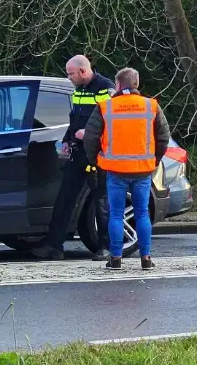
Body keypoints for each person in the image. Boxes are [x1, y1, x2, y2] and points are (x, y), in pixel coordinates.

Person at [83, 67, 170, 271]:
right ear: (136, 84)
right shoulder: (151, 106)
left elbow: (90, 137)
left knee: (115, 214)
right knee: (142, 213)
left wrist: (95, 159)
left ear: (118, 84)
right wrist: (154, 160)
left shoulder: (106, 107)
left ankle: (115, 258)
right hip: (142, 170)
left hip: (115, 170)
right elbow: (163, 137)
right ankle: (146, 257)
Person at [32, 55, 114, 261]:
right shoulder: (80, 89)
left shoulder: (105, 88)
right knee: (65, 198)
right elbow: (74, 118)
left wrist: (88, 134)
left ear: (83, 71)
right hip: (78, 153)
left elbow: (111, 122)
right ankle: (54, 245)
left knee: (101, 201)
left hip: (97, 155)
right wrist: (68, 140)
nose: (68, 78)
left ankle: (106, 247)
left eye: (70, 74)